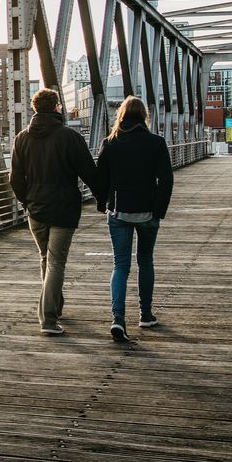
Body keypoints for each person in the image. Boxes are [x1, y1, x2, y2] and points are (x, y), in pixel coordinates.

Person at [11, 87, 100, 336]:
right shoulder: (69, 137)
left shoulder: (21, 138)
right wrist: (103, 198)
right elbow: (89, 172)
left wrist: (26, 201)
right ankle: (48, 319)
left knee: (45, 259)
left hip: (36, 209)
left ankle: (55, 306)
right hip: (64, 208)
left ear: (35, 108)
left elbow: (15, 177)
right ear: (57, 107)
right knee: (56, 262)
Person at [94, 96, 173, 342]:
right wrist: (159, 209)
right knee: (145, 261)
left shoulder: (110, 143)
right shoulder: (156, 143)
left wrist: (102, 204)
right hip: (148, 211)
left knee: (120, 266)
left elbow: (101, 180)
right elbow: (166, 180)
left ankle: (118, 319)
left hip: (118, 211)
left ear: (121, 116)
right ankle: (146, 315)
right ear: (144, 116)